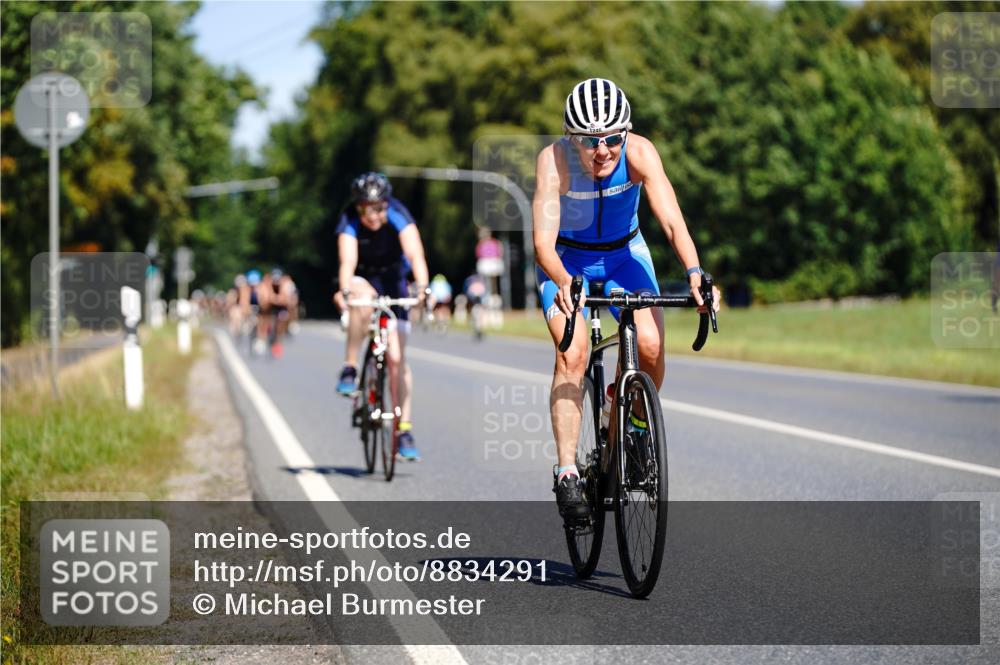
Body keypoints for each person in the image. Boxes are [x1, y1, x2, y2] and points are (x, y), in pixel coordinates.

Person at [532, 78, 720, 524]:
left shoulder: (640, 153)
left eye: (613, 138)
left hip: (624, 255)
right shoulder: (553, 161)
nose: (603, 151)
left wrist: (695, 273)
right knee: (572, 354)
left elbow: (672, 221)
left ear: (626, 133)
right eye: (591, 142)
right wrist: (564, 281)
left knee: (651, 348)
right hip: (566, 261)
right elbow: (542, 243)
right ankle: (567, 474)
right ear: (571, 138)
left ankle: (631, 426)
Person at [333, 172, 431, 461]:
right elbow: (347, 261)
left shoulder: (399, 213)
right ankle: (350, 368)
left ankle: (403, 429)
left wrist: (423, 288)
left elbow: (415, 254)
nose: (373, 215)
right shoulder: (348, 219)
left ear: (387, 204)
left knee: (398, 359)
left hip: (394, 280)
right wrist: (344, 289)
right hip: (362, 277)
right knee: (362, 302)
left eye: (378, 208)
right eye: (365, 209)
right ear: (358, 207)